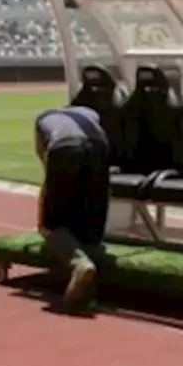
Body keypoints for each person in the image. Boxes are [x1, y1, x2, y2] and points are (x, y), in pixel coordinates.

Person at [34, 104, 112, 313]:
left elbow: (47, 162)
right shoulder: (91, 112)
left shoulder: (43, 118)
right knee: (90, 224)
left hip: (63, 147)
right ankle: (90, 293)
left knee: (49, 225)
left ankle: (80, 264)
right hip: (100, 148)